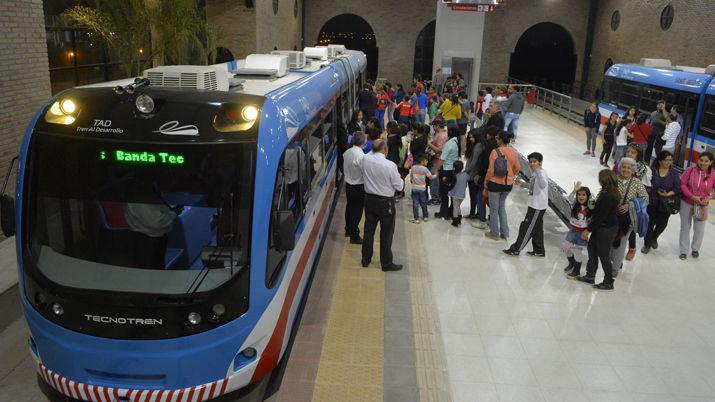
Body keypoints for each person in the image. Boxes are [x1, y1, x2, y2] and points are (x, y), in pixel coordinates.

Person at [361, 139, 404, 271]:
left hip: (369, 200)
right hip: (386, 203)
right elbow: (399, 186)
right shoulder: (390, 165)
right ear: (385, 150)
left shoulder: (365, 159)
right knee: (386, 233)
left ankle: (365, 259)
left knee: (368, 232)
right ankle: (386, 263)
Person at [574, 169, 621, 290]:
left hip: (606, 228)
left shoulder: (610, 195)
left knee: (603, 254)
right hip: (601, 226)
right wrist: (592, 217)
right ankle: (590, 275)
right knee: (592, 249)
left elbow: (602, 216)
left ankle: (608, 281)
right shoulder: (606, 191)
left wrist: (588, 230)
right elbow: (600, 213)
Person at [124, 176, 182, 269]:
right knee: (151, 271)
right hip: (148, 242)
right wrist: (174, 213)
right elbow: (156, 222)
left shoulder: (147, 189)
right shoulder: (139, 197)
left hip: (155, 239)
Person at [503, 152, 548, 256]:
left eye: (535, 162)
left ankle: (516, 249)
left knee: (527, 227)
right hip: (535, 204)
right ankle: (539, 250)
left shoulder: (541, 173)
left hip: (537, 206)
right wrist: (523, 184)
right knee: (537, 228)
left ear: (540, 163)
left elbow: (543, 184)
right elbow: (535, 187)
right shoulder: (536, 173)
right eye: (530, 162)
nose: (532, 164)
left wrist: (537, 171)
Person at [610, 157, 649, 277]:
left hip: (628, 219)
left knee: (621, 244)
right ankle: (616, 259)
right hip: (612, 217)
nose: (625, 170)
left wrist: (630, 205)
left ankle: (615, 268)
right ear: (619, 168)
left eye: (628, 168)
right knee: (611, 242)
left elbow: (646, 199)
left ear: (633, 171)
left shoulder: (637, 183)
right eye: (623, 167)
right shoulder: (613, 180)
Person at [483, 130, 520, 241]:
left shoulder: (495, 152)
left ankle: (494, 233)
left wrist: (486, 182)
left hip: (495, 184)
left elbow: (491, 170)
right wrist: (510, 175)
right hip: (508, 185)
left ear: (500, 139)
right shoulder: (514, 152)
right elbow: (517, 168)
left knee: (494, 209)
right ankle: (505, 232)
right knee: (502, 207)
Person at [642, 150, 680, 254]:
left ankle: (654, 237)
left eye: (671, 160)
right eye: (666, 160)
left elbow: (677, 188)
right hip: (652, 202)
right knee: (650, 224)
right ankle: (647, 244)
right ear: (659, 161)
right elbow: (646, 184)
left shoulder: (674, 173)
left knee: (662, 224)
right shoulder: (652, 171)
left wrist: (668, 194)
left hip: (665, 204)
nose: (669, 162)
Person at [678, 151, 715, 260]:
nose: (703, 163)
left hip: (702, 206)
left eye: (706, 161)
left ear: (711, 162)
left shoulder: (713, 174)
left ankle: (695, 249)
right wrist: (692, 196)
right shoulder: (690, 170)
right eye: (701, 160)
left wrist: (710, 197)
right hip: (686, 203)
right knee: (685, 227)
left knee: (699, 229)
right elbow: (683, 185)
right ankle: (684, 250)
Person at [563, 183, 593, 277]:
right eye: (579, 194)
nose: (581, 196)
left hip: (582, 233)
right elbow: (569, 199)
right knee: (566, 247)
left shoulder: (590, 207)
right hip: (572, 230)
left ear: (588, 196)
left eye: (584, 195)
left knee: (578, 252)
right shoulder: (575, 204)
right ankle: (571, 263)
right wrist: (574, 190)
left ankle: (576, 271)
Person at [343, 132, 366, 244]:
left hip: (348, 185)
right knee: (357, 211)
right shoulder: (361, 156)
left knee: (349, 208)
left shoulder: (347, 152)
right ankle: (354, 235)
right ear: (363, 142)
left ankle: (348, 229)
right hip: (358, 186)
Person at [436, 127, 461, 219]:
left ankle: (444, 212)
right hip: (453, 170)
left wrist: (437, 169)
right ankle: (450, 211)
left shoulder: (449, 143)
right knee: (450, 192)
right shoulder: (456, 142)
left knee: (444, 193)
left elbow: (442, 159)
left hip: (446, 170)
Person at [464, 129, 485, 222]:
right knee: (474, 195)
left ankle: (474, 213)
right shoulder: (476, 145)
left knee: (474, 195)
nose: (471, 139)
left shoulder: (478, 146)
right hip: (472, 173)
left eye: (472, 137)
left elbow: (473, 162)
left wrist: (466, 171)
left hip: (473, 174)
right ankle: (475, 213)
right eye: (470, 137)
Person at [427, 121, 448, 204]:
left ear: (438, 126)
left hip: (438, 160)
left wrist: (429, 144)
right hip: (440, 160)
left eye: (434, 126)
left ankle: (435, 198)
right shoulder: (443, 134)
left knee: (434, 179)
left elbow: (439, 150)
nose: (433, 128)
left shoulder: (440, 136)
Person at [409, 154, 434, 223]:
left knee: (415, 203)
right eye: (426, 161)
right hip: (422, 189)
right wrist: (436, 175)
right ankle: (425, 217)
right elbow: (430, 177)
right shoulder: (425, 169)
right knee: (423, 202)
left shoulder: (413, 167)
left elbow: (411, 178)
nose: (427, 162)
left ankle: (416, 218)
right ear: (422, 161)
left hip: (414, 188)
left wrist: (413, 182)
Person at [448, 160, 469, 227]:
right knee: (457, 206)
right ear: (462, 167)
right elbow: (469, 179)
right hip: (462, 195)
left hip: (454, 194)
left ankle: (455, 221)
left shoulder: (453, 175)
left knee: (455, 207)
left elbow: (449, 183)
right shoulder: (466, 175)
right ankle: (459, 218)